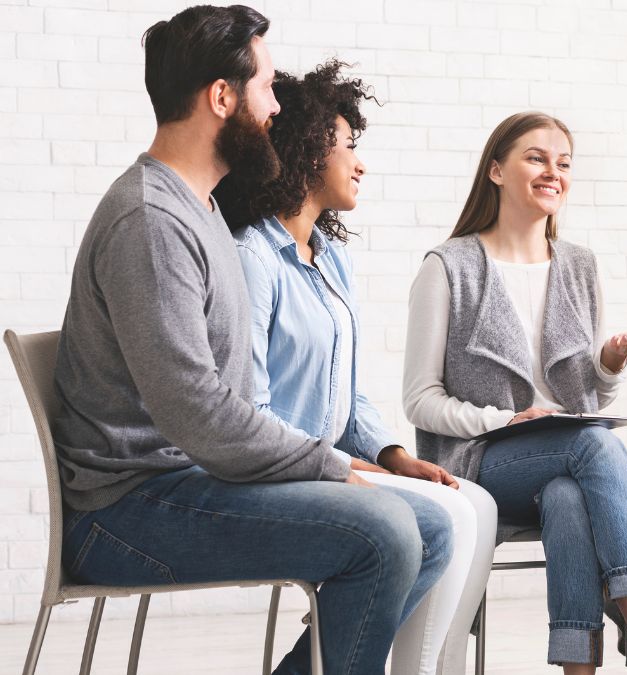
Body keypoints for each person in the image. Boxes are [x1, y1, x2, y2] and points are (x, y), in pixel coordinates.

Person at [51, 7, 448, 674]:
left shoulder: (199, 207)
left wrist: (351, 458)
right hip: (126, 511)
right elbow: (197, 411)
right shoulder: (151, 220)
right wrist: (330, 465)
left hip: (183, 480)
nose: (274, 108)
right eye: (265, 87)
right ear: (221, 97)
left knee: (427, 527)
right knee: (382, 532)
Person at [213, 61, 493, 675]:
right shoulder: (251, 259)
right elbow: (249, 411)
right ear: (307, 152)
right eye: (348, 146)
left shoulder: (330, 259)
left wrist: (391, 453)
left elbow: (347, 391)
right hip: (278, 473)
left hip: (329, 462)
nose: (359, 163)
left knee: (468, 503)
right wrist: (345, 465)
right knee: (439, 522)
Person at [402, 111, 627, 675]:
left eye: (563, 163)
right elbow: (420, 399)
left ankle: (577, 667)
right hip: (481, 462)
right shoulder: (448, 266)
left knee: (567, 495)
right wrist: (504, 421)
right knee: (594, 447)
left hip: (566, 461)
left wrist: (609, 362)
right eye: (536, 158)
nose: (552, 172)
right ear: (495, 170)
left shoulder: (579, 266)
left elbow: (591, 400)